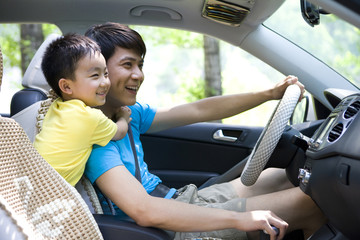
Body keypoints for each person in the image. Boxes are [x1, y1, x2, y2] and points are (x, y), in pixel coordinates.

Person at [84, 23, 326, 240]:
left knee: (279, 176)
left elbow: (198, 110)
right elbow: (144, 211)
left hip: (179, 201)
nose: (139, 75)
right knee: (310, 204)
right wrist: (241, 218)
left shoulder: (129, 113)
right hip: (167, 227)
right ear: (100, 70)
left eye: (140, 65)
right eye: (128, 65)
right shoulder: (95, 139)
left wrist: (268, 95)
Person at [34, 33, 132, 186]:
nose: (105, 82)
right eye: (95, 75)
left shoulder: (56, 106)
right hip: (51, 192)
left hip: (34, 180)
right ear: (66, 86)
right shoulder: (90, 117)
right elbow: (120, 132)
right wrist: (123, 118)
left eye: (105, 74)